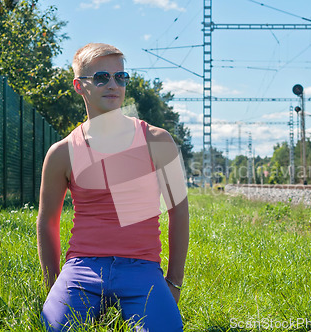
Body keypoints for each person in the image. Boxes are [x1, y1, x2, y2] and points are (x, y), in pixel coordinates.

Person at [37, 43, 189, 332]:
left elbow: (179, 212)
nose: (113, 85)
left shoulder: (158, 141)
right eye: (102, 77)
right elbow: (47, 222)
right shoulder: (62, 152)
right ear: (79, 86)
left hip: (142, 268)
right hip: (82, 268)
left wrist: (173, 282)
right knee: (56, 329)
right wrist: (53, 282)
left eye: (121, 77)